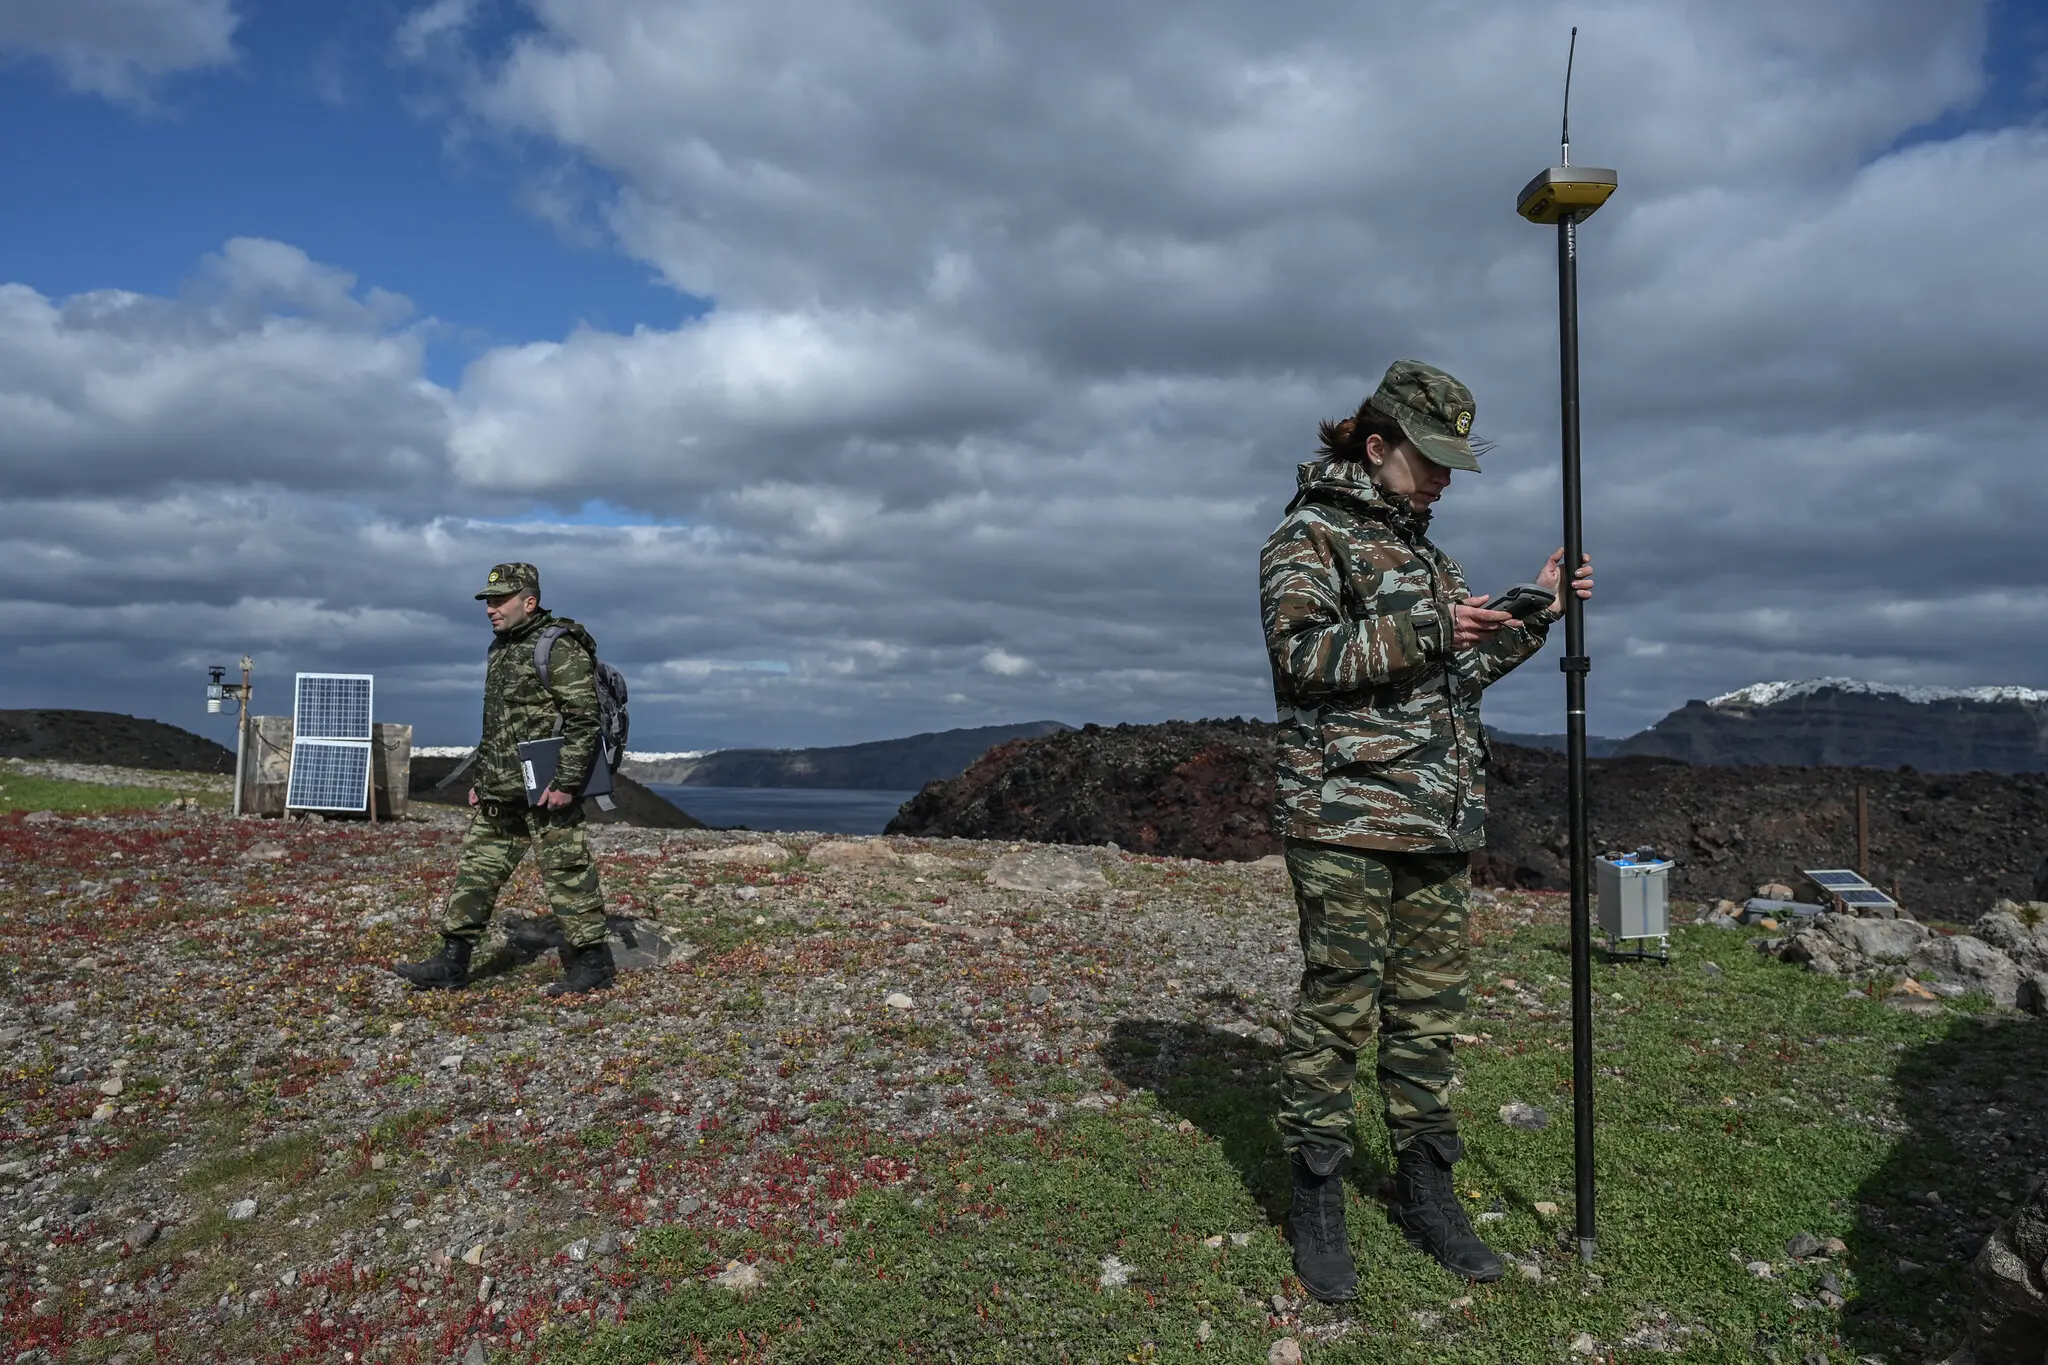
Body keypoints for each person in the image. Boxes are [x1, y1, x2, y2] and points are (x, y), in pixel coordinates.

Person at [1258, 359, 1594, 1300]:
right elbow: (1304, 657)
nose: (1444, 478)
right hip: (1347, 817)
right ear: (1378, 446)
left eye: (1454, 462)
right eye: (1431, 459)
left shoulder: (1426, 556)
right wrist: (1436, 625)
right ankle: (1317, 1192)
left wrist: (1532, 615)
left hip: (1437, 819)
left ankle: (1425, 1188)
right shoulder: (1306, 536)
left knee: (1429, 1016)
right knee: (1338, 1009)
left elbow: (1448, 680)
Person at [395, 563, 618, 997]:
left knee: (568, 875)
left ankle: (594, 964)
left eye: (499, 600)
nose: (490, 609)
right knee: (475, 874)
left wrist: (568, 783)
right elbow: (498, 726)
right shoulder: (499, 649)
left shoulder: (559, 647)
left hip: (548, 791)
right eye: (488, 601)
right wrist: (483, 779)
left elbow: (583, 720)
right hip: (503, 791)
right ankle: (452, 962)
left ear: (528, 602)